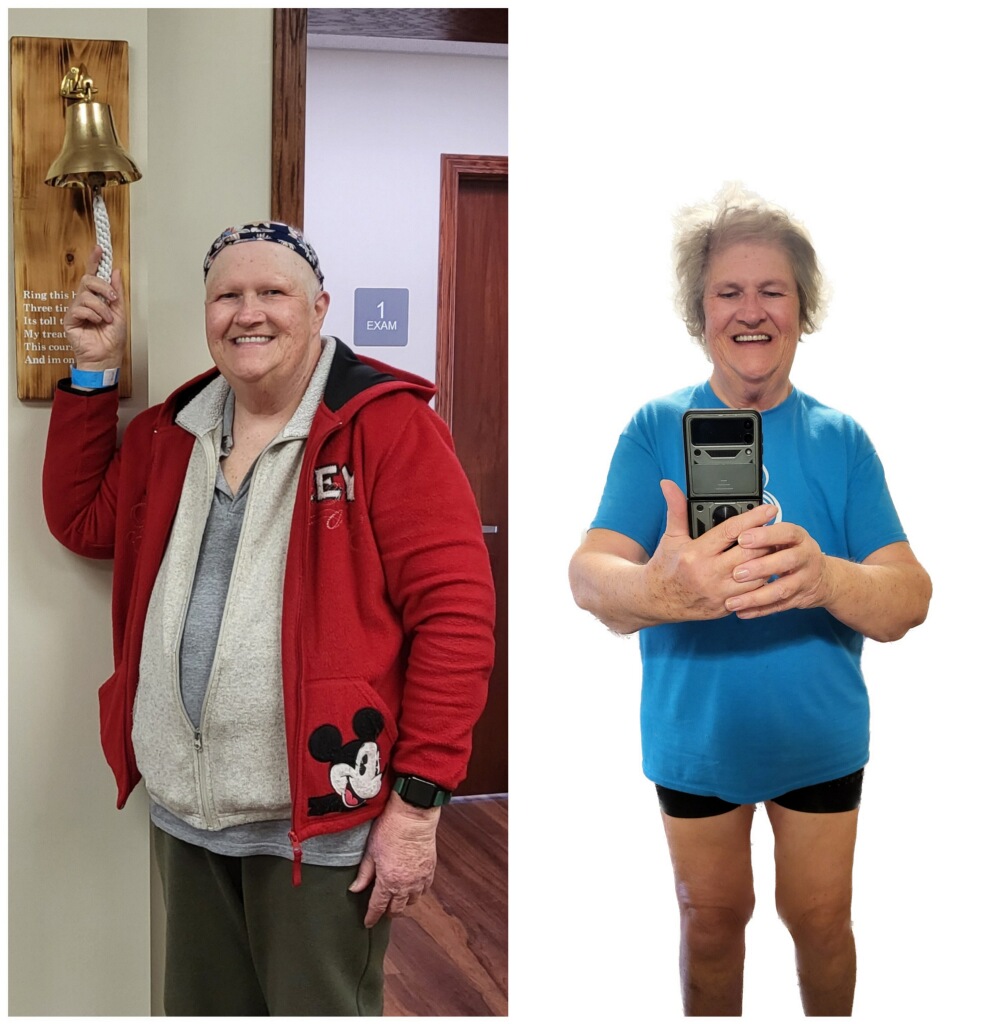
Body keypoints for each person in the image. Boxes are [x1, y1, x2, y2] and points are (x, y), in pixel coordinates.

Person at [42, 222, 496, 1016]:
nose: (248, 312)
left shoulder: (389, 429)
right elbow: (81, 518)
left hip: (319, 828)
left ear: (318, 308)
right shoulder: (168, 434)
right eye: (227, 295)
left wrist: (418, 806)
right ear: (207, 312)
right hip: (187, 812)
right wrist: (92, 369)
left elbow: (456, 621)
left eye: (272, 293)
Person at [568, 187, 931, 1016]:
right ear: (699, 314)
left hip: (819, 739)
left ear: (803, 311)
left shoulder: (842, 439)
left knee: (821, 920)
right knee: (709, 922)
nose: (751, 310)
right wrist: (658, 590)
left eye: (773, 290)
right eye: (728, 292)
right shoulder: (653, 429)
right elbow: (589, 579)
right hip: (696, 740)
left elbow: (909, 599)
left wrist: (827, 577)